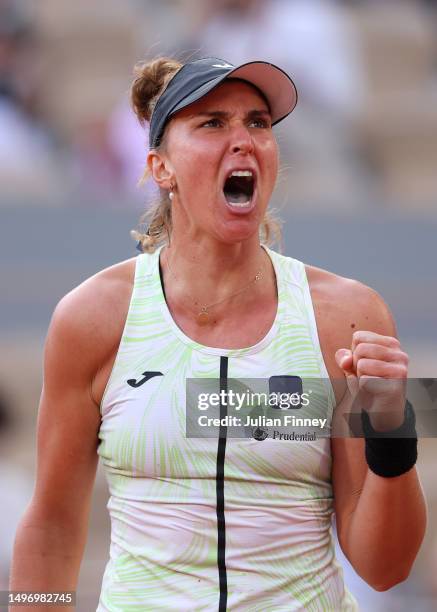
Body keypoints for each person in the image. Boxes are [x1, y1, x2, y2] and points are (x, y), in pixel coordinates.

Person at [10, 56, 426, 611]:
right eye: (212, 123)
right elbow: (52, 527)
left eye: (258, 123)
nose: (244, 140)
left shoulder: (348, 317)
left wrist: (395, 441)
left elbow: (385, 567)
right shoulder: (92, 317)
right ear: (161, 167)